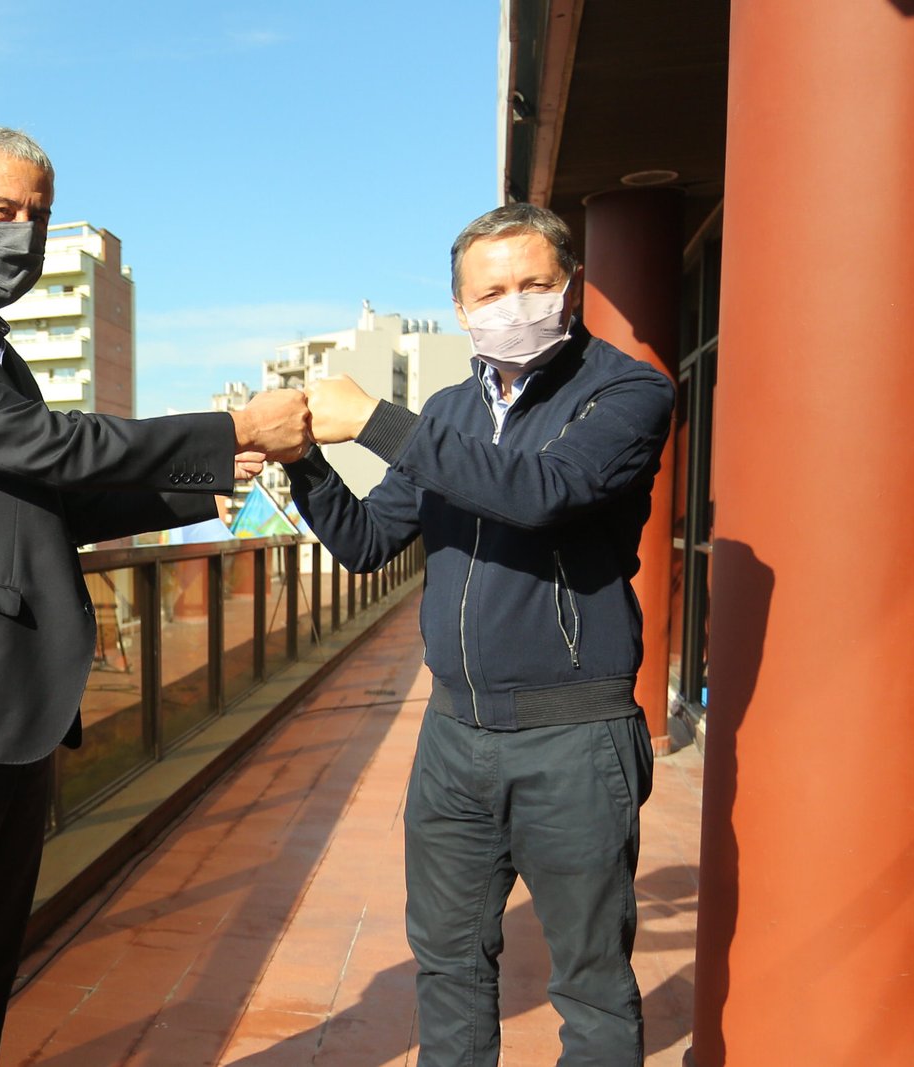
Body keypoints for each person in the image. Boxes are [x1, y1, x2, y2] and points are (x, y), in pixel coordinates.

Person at [0, 124, 308, 1065]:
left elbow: (40, 502)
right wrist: (227, 424)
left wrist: (206, 476)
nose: (23, 235)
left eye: (37, 215)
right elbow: (50, 450)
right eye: (1, 212)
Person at [290, 202, 675, 1065]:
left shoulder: (628, 392)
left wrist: (380, 422)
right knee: (450, 967)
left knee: (591, 984)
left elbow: (542, 490)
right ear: (461, 308)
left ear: (570, 287)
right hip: (453, 736)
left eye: (535, 283)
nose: (514, 304)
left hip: (574, 737)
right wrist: (303, 460)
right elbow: (365, 541)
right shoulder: (450, 411)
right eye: (491, 290)